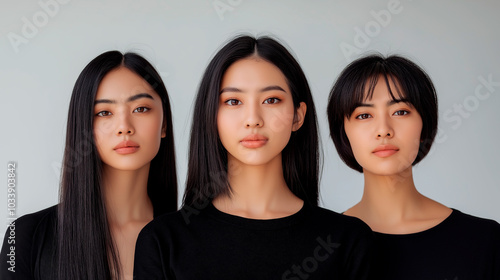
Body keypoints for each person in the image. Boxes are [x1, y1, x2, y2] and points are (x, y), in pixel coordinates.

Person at [134, 35, 372, 280]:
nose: (253, 119)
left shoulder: (346, 241)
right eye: (233, 101)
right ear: (211, 116)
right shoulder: (163, 241)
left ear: (298, 116)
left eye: (271, 100)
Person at [0, 51, 178, 280]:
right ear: (83, 126)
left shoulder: (193, 239)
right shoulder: (26, 238)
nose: (124, 127)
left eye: (141, 109)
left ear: (164, 125)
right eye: (104, 113)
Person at [327, 54, 500, 279]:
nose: (383, 129)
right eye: (364, 115)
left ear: (424, 123)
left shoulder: (485, 240)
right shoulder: (323, 247)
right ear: (344, 131)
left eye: (400, 112)